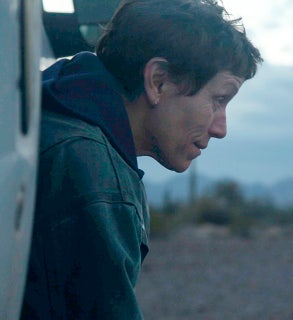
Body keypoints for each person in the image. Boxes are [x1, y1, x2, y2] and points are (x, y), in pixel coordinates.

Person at [21, 0, 262, 318]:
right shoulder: (93, 177)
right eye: (219, 99)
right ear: (158, 81)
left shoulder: (48, 114)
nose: (221, 128)